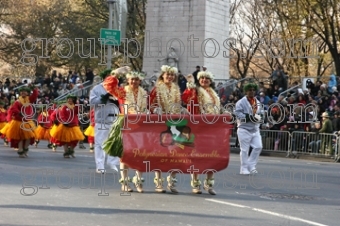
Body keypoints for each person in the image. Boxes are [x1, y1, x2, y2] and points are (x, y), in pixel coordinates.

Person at [102, 70, 148, 193]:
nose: (134, 81)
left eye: (137, 79)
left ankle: (138, 181)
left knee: (141, 155)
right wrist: (116, 74)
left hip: (140, 126)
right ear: (128, 80)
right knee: (125, 155)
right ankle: (125, 182)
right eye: (132, 79)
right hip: (126, 124)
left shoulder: (144, 93)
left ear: (140, 81)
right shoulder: (122, 92)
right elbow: (108, 86)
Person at [182, 71, 222, 195]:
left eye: (207, 78)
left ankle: (209, 184)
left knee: (212, 157)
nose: (204, 80)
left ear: (210, 81)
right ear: (199, 80)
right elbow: (186, 98)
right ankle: (195, 184)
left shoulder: (214, 94)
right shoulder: (196, 91)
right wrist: (190, 84)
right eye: (202, 78)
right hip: (197, 128)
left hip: (212, 129)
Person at [149, 65, 183, 193]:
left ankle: (172, 181)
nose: (169, 77)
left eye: (172, 75)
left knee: (176, 153)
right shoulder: (156, 89)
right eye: (167, 74)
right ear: (162, 75)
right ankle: (158, 182)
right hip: (160, 124)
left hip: (175, 123)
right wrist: (154, 110)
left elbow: (180, 103)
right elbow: (150, 105)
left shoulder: (176, 89)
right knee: (160, 154)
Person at [89, 68, 125, 174]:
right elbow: (92, 102)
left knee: (114, 142)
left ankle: (112, 162)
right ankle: (100, 165)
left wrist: (118, 102)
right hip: (102, 119)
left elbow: (123, 102)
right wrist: (104, 98)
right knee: (100, 143)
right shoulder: (97, 89)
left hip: (115, 119)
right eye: (110, 77)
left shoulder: (117, 88)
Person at [234, 83, 263, 175]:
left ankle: (251, 165)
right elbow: (238, 114)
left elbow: (261, 112)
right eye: (250, 90)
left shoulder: (257, 102)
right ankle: (243, 168)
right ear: (246, 91)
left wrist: (260, 117)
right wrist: (250, 117)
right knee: (244, 150)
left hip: (255, 128)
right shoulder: (240, 102)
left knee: (258, 146)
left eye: (253, 90)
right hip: (244, 129)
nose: (252, 91)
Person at [3, 85, 39, 157]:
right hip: (18, 121)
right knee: (21, 137)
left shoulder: (29, 100)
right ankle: (20, 150)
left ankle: (25, 149)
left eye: (25, 92)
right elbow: (14, 109)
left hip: (27, 121)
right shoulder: (17, 101)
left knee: (29, 137)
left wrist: (34, 89)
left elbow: (35, 96)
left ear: (28, 93)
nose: (23, 93)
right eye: (22, 92)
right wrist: (19, 112)